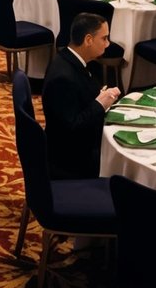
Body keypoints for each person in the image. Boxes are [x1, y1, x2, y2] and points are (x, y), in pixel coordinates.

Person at [41, 12, 120, 179]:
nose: (108, 44)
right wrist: (100, 104)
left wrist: (101, 96)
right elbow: (72, 128)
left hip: (73, 147)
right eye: (104, 38)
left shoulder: (69, 59)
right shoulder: (63, 77)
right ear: (88, 40)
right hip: (71, 161)